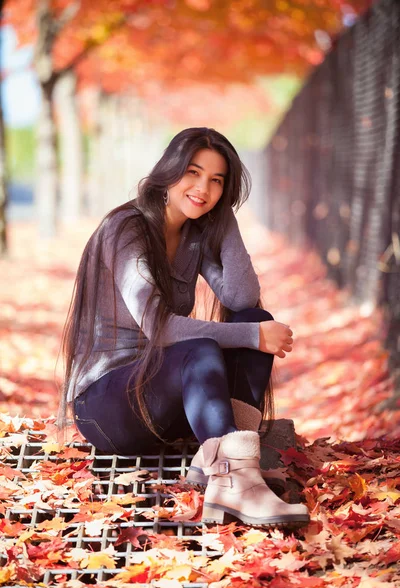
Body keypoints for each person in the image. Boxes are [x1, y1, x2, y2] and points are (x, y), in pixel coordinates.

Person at [59, 127, 309, 528]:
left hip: (164, 400)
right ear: (169, 170)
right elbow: (159, 329)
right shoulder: (126, 229)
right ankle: (236, 482)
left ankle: (220, 465)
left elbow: (242, 299)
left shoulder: (193, 233)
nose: (202, 187)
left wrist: (224, 216)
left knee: (254, 320)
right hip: (107, 407)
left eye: (216, 180)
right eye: (193, 173)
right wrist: (253, 338)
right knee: (207, 345)